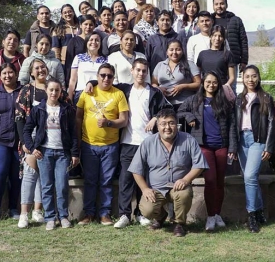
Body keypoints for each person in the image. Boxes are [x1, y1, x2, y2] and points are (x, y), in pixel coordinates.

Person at [84, 58, 171, 229]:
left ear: (147, 73)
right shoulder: (123, 89)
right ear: (132, 71)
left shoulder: (153, 92)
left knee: (144, 180)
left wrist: (155, 118)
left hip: (147, 143)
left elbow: (167, 109)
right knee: (126, 179)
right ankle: (124, 214)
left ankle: (140, 214)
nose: (140, 73)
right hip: (128, 142)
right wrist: (90, 82)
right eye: (138, 70)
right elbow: (104, 82)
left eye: (144, 71)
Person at [129, 108, 208, 237]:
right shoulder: (148, 143)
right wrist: (145, 189)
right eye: (163, 124)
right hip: (156, 189)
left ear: (176, 124)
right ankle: (160, 217)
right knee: (147, 210)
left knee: (183, 195)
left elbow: (199, 165)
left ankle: (179, 224)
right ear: (157, 126)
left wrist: (185, 180)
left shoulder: (188, 140)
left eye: (171, 123)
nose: (167, 127)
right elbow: (135, 169)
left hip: (179, 187)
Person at [178, 71, 237, 232]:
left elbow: (232, 125)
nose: (211, 85)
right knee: (210, 180)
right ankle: (210, 216)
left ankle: (217, 214)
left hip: (222, 146)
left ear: (218, 84)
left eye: (215, 82)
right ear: (203, 83)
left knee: (219, 182)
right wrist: (190, 117)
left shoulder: (224, 101)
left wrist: (232, 147)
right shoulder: (194, 100)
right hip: (203, 146)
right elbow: (180, 111)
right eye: (208, 82)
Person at [76, 63, 129, 226]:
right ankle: (89, 213)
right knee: (90, 180)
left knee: (106, 180)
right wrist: (77, 140)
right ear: (97, 76)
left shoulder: (119, 94)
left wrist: (108, 124)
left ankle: (105, 214)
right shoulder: (87, 92)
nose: (106, 78)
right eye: (103, 75)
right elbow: (78, 117)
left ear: (114, 78)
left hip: (110, 145)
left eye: (110, 76)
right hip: (88, 144)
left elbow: (124, 121)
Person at [23, 77, 79, 230]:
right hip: (44, 152)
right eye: (51, 89)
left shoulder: (67, 110)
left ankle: (63, 216)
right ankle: (50, 217)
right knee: (46, 186)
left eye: (57, 90)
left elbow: (74, 133)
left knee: (61, 185)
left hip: (63, 153)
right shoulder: (38, 109)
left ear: (61, 92)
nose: (54, 93)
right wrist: (32, 147)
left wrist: (75, 153)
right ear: (46, 90)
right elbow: (27, 130)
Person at [16, 59, 59, 227]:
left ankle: (38, 211)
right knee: (30, 172)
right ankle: (24, 214)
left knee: (44, 174)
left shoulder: (54, 87)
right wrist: (25, 142)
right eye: (37, 68)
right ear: (31, 72)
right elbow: (19, 118)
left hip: (51, 136)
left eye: (43, 67)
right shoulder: (26, 90)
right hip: (31, 135)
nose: (40, 70)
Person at [236, 65, 275, 233]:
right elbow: (234, 123)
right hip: (241, 141)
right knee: (249, 178)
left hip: (257, 140)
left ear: (258, 77)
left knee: (250, 176)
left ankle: (251, 215)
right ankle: (259, 212)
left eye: (253, 76)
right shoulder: (239, 98)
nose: (250, 80)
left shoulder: (266, 98)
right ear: (243, 78)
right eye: (247, 76)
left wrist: (269, 146)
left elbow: (272, 122)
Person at [0, 63, 23, 223]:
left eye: (10, 73)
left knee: (16, 176)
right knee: (0, 174)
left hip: (19, 141)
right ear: (0, 76)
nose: (8, 76)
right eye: (4, 73)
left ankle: (13, 208)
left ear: (16, 74)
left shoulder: (23, 91)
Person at [152, 39, 201, 112]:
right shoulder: (160, 65)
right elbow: (153, 84)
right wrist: (159, 89)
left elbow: (199, 84)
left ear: (182, 51)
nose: (174, 52)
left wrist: (183, 86)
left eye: (178, 49)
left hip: (185, 104)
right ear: (167, 52)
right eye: (171, 50)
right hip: (164, 103)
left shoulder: (189, 64)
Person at [212, 0, 249, 72]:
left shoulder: (235, 20)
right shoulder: (209, 21)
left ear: (226, 5)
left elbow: (243, 41)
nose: (219, 6)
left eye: (222, 4)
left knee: (231, 84)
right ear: (213, 6)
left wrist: (244, 61)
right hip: (213, 60)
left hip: (232, 60)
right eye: (216, 4)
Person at [68, 33, 107, 103]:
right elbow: (73, 80)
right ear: (86, 42)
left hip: (99, 95)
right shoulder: (78, 58)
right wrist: (70, 97)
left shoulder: (105, 60)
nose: (94, 42)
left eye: (97, 40)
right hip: (81, 93)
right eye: (91, 40)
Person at [63, 14, 97, 88]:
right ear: (80, 25)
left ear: (94, 26)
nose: (88, 27)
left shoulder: (97, 41)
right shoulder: (74, 41)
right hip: (78, 80)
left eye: (91, 25)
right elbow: (69, 63)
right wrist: (69, 85)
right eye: (86, 24)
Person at [51, 4, 81, 68]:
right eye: (65, 13)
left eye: (70, 11)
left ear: (73, 12)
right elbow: (55, 48)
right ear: (62, 15)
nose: (68, 14)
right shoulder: (58, 29)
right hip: (65, 63)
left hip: (81, 62)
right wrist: (57, 62)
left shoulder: (81, 27)